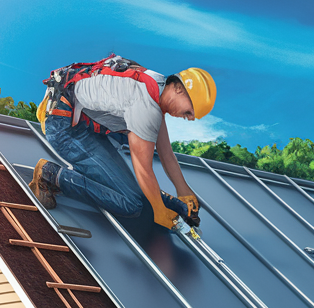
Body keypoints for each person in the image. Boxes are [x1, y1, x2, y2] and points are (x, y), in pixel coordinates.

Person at [29, 54, 215, 231]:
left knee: (139, 195)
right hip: (65, 128)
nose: (189, 119)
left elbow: (166, 152)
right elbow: (143, 169)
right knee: (131, 204)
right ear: (179, 89)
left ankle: (90, 173)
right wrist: (159, 211)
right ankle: (50, 175)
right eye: (190, 112)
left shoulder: (156, 85)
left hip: (79, 123)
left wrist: (184, 190)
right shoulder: (146, 105)